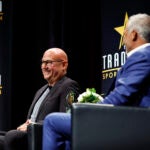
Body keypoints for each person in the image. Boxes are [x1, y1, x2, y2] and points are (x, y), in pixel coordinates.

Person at [42, 13, 150, 150]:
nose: (123, 38)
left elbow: (123, 94)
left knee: (52, 121)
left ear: (133, 34)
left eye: (125, 34)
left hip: (132, 123)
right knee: (69, 139)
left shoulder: (143, 55)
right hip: (128, 118)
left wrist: (94, 110)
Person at [0, 47, 80, 150]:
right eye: (42, 63)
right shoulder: (41, 90)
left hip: (42, 135)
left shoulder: (68, 85)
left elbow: (65, 116)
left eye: (49, 62)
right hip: (29, 133)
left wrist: (31, 125)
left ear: (64, 65)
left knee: (12, 136)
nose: (43, 66)